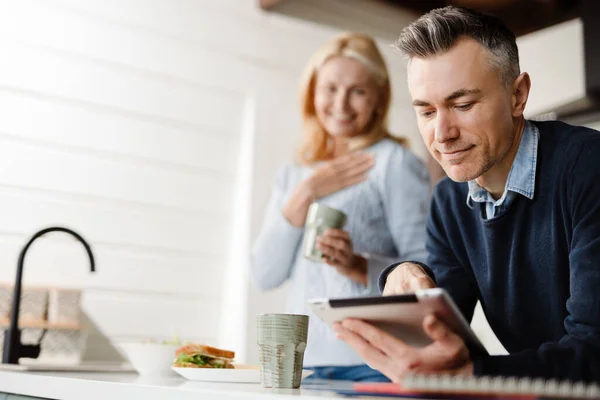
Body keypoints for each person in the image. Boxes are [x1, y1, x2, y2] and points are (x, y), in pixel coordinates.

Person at [334, 6, 600, 383]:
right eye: (426, 112)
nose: (442, 134)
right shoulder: (449, 201)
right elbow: (445, 341)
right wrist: (405, 273)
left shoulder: (589, 168)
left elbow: (593, 354)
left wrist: (470, 373)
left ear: (517, 96)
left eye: (462, 105)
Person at [250, 32, 431, 382]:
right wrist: (306, 193)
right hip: (302, 365)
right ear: (312, 93)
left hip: (374, 363)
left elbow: (425, 267)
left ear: (379, 99)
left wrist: (358, 264)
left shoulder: (394, 163)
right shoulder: (295, 176)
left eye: (358, 91)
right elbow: (264, 275)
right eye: (330, 88)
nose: (342, 104)